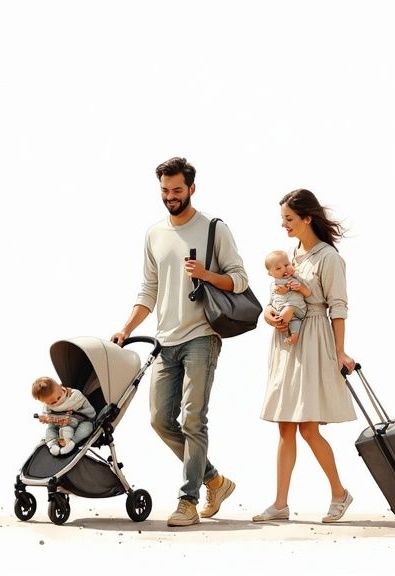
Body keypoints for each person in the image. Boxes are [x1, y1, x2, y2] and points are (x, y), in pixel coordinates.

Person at [111, 156, 248, 527]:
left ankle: (187, 501)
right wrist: (126, 328)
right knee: (159, 419)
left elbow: (240, 280)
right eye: (165, 191)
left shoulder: (213, 229)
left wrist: (206, 274)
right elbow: (148, 289)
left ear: (191, 188)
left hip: (202, 336)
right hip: (164, 340)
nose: (171, 197)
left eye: (177, 190)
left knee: (192, 419)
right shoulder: (154, 234)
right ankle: (215, 480)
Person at [254, 188, 358, 524]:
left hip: (313, 341)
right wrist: (269, 313)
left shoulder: (329, 258)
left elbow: (337, 308)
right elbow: (276, 293)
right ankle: (280, 504)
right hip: (287, 343)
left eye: (289, 219)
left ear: (306, 219)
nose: (283, 224)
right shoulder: (289, 254)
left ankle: (340, 494)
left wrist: (340, 351)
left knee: (309, 427)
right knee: (285, 427)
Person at [32, 376, 96, 456]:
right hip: (59, 423)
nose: (57, 402)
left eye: (59, 397)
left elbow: (90, 413)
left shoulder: (74, 396)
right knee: (50, 429)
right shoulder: (47, 406)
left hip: (79, 421)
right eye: (51, 403)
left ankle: (71, 443)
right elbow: (48, 415)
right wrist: (46, 419)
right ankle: (52, 444)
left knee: (87, 427)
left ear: (60, 386)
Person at [264, 250, 309, 345]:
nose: (284, 269)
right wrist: (268, 314)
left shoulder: (294, 279)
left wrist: (299, 287)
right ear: (270, 273)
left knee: (288, 310)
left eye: (286, 265)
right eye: (278, 268)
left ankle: (283, 326)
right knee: (292, 321)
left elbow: (308, 293)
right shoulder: (273, 285)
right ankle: (293, 336)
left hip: (297, 309)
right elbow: (272, 301)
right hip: (284, 312)